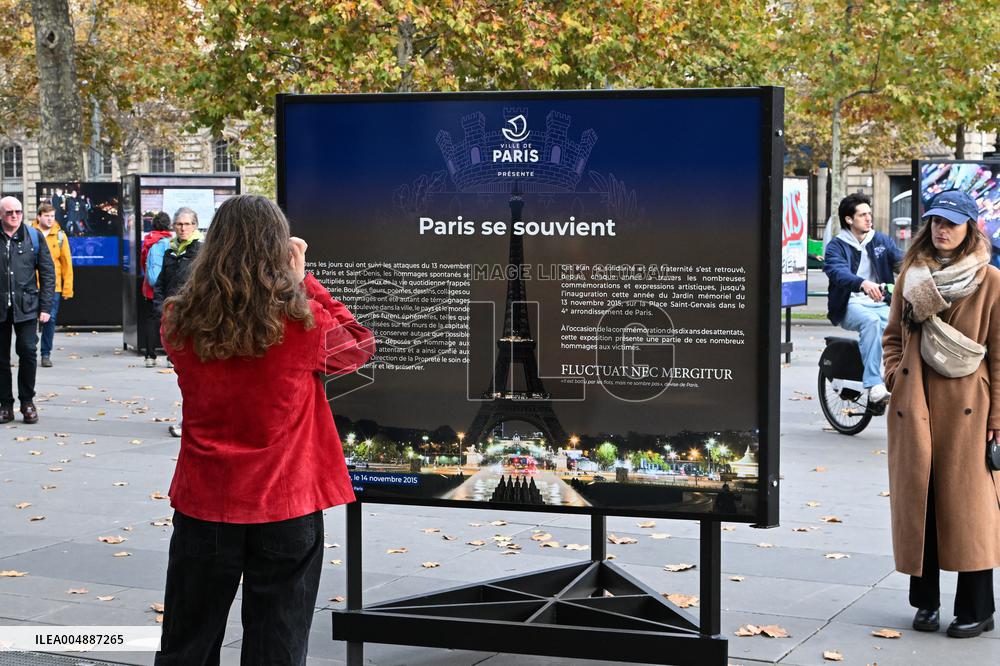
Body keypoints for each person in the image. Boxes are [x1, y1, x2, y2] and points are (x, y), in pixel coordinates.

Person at [154, 194, 374, 665]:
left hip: (205, 501)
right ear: (279, 248)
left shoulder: (179, 319)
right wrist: (305, 282)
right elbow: (359, 346)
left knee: (187, 644)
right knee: (276, 645)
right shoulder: (303, 323)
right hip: (285, 505)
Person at [882, 189, 1000, 638]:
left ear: (971, 227)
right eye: (935, 221)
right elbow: (893, 335)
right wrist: (896, 376)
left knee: (971, 511)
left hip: (971, 408)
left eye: (951, 222)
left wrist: (998, 422)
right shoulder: (911, 275)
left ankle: (977, 608)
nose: (941, 229)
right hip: (916, 403)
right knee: (922, 501)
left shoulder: (991, 281)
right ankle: (925, 602)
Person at [824, 193, 903, 403]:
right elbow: (837, 271)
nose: (869, 218)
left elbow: (903, 263)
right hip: (848, 304)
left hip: (880, 302)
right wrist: (863, 283)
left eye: (869, 213)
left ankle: (900, 378)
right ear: (849, 220)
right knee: (872, 322)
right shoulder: (836, 246)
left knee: (907, 326)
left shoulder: (880, 240)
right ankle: (873, 384)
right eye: (862, 215)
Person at [0, 197, 55, 425]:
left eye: (18, 211)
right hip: (1, 307)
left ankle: (27, 402)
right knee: (1, 358)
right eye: (10, 212)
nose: (15, 215)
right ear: (1, 215)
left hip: (28, 307)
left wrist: (45, 306)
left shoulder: (33, 236)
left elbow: (48, 272)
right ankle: (5, 404)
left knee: (28, 353)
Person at [154, 207, 202, 437]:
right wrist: (161, 310)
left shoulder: (201, 250)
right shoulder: (170, 251)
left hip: (193, 319)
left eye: (187, 224)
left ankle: (190, 422)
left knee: (193, 377)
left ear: (195, 226)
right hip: (173, 319)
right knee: (185, 376)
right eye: (179, 224)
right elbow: (161, 283)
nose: (183, 228)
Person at [32, 204, 73, 368]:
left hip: (53, 286)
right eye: (47, 216)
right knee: (30, 320)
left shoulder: (60, 236)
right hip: (32, 284)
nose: (50, 219)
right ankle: (30, 348)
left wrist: (67, 288)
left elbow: (66, 263)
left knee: (50, 320)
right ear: (39, 217)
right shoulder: (30, 234)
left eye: (52, 216)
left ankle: (45, 353)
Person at [140, 212, 173, 367]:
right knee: (169, 322)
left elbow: (142, 263)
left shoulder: (148, 241)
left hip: (150, 288)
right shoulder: (169, 242)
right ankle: (170, 357)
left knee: (152, 321)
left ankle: (149, 356)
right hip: (166, 288)